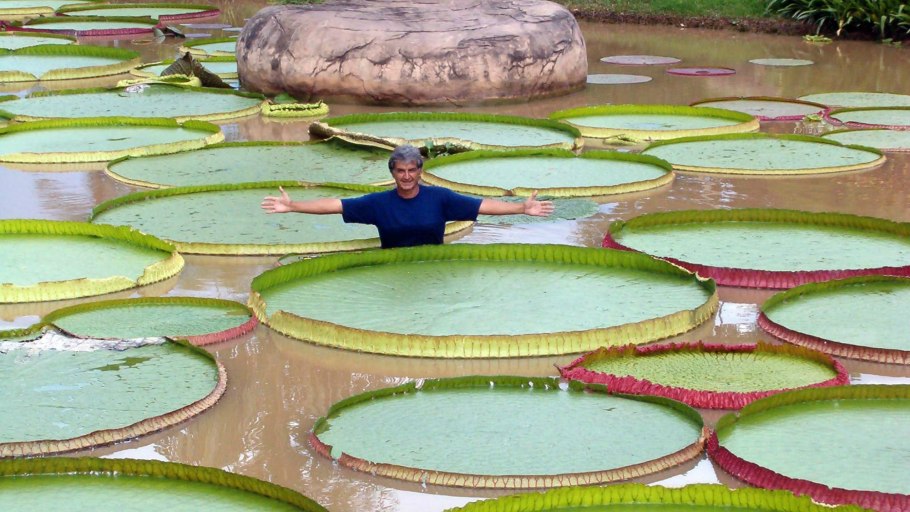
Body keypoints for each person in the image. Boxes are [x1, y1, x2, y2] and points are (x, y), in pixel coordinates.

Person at [261, 144, 554, 248]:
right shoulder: (378, 203)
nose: (406, 176)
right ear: (393, 173)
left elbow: (483, 206)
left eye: (411, 170)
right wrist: (292, 206)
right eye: (400, 171)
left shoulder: (440, 198)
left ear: (420, 171)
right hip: (392, 265)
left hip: (433, 264)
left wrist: (521, 208)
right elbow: (335, 205)